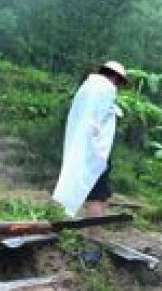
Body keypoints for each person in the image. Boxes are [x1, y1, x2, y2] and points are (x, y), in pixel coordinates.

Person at [52, 61, 128, 220]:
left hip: (82, 147)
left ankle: (71, 225)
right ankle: (94, 236)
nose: (118, 87)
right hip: (94, 152)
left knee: (87, 189)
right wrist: (97, 152)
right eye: (120, 82)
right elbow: (94, 122)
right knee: (97, 196)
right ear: (115, 77)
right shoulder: (105, 89)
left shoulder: (88, 86)